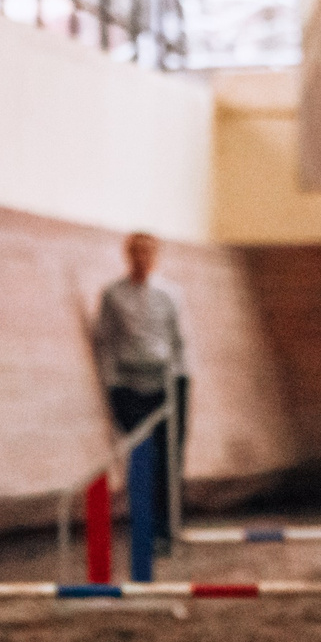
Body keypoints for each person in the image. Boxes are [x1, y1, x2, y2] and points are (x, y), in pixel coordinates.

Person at [90, 231, 187, 548]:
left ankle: (167, 528)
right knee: (141, 457)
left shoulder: (169, 294)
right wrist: (112, 384)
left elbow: (179, 341)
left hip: (166, 383)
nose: (141, 259)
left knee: (168, 458)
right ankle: (143, 527)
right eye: (136, 253)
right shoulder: (113, 295)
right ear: (128, 255)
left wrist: (178, 382)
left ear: (155, 257)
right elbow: (104, 340)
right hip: (129, 383)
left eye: (147, 253)